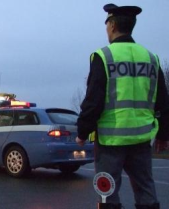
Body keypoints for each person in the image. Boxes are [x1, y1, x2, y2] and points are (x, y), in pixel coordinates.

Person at [75, 4, 169, 209]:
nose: (107, 29)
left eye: (107, 24)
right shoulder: (151, 58)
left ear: (113, 25)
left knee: (108, 192)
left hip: (111, 141)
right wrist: (163, 133)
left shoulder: (104, 57)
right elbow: (162, 99)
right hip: (142, 139)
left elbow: (94, 100)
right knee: (146, 191)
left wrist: (82, 131)